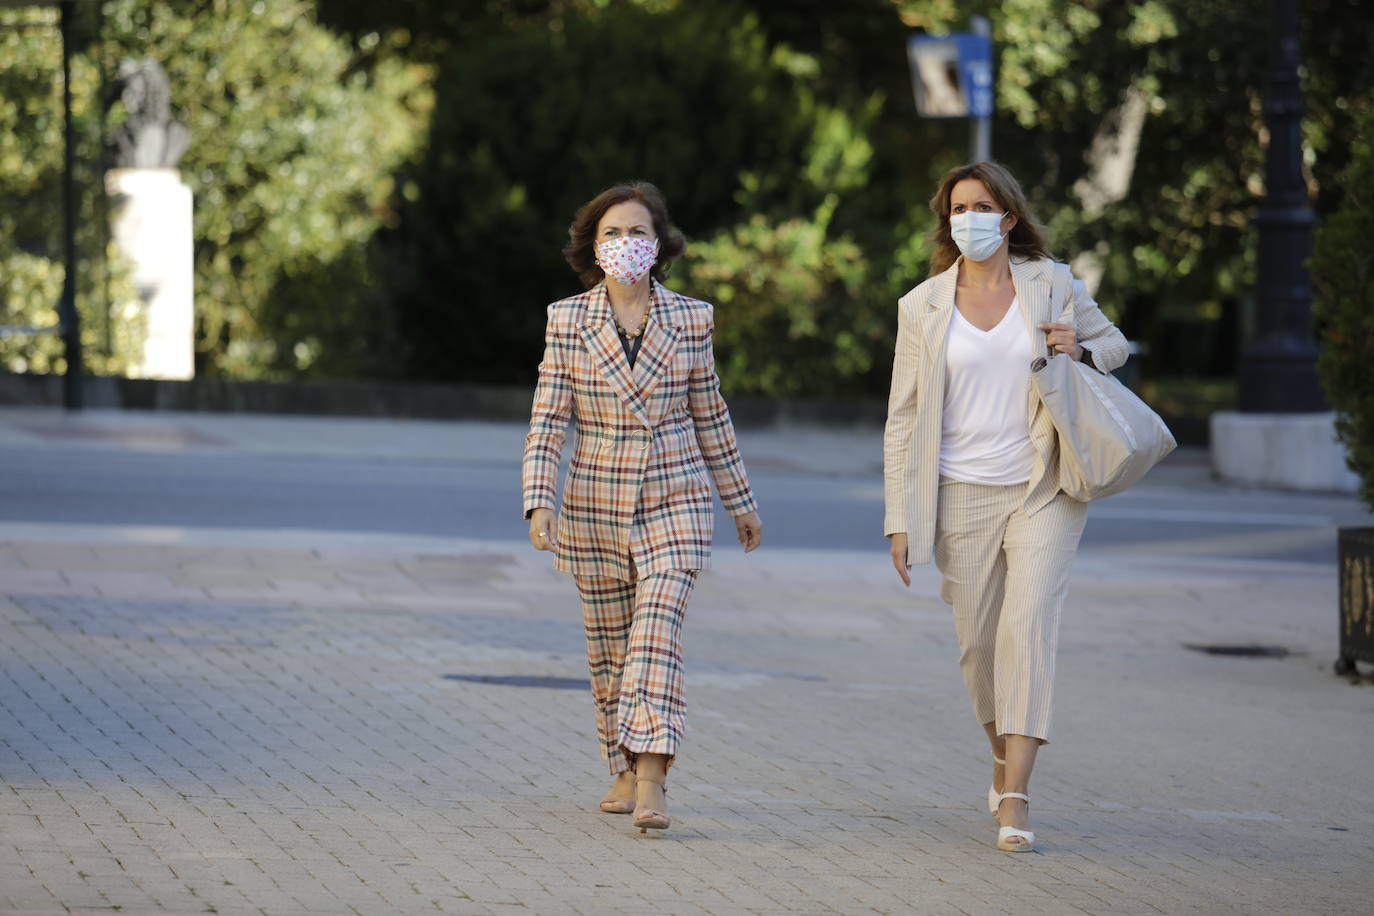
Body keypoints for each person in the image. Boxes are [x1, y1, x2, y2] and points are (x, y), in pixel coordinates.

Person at [882, 161, 1129, 853]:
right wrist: (899, 516)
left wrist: (1077, 346)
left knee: (1028, 629)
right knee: (979, 649)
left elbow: (1114, 344)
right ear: (947, 219)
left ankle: (1016, 795)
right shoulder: (921, 305)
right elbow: (903, 417)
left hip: (1045, 484)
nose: (970, 219)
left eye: (982, 206)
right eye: (959, 208)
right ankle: (1001, 755)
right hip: (959, 490)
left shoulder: (1052, 282)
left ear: (1009, 217)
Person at [522, 181, 763, 835]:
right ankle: (624, 763)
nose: (624, 244)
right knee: (610, 652)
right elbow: (549, 421)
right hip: (595, 505)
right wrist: (539, 503)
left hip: (674, 499)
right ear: (592, 248)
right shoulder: (568, 319)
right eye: (611, 234)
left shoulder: (691, 318)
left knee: (654, 634)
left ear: (658, 246)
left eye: (636, 233)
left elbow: (709, 413)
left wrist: (739, 500)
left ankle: (654, 775)